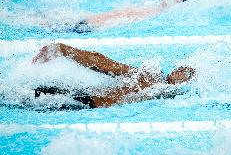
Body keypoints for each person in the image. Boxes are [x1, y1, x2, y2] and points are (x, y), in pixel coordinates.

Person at [32, 43, 196, 108]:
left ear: (186, 82)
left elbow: (105, 64)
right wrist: (64, 50)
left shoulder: (163, 89)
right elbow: (106, 64)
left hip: (86, 102)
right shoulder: (152, 77)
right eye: (182, 67)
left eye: (186, 72)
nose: (181, 70)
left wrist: (63, 50)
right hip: (84, 100)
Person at [70, 0, 199, 33]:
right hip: (86, 23)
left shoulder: (158, 14)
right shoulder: (153, 7)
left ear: (179, 1)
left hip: (88, 27)